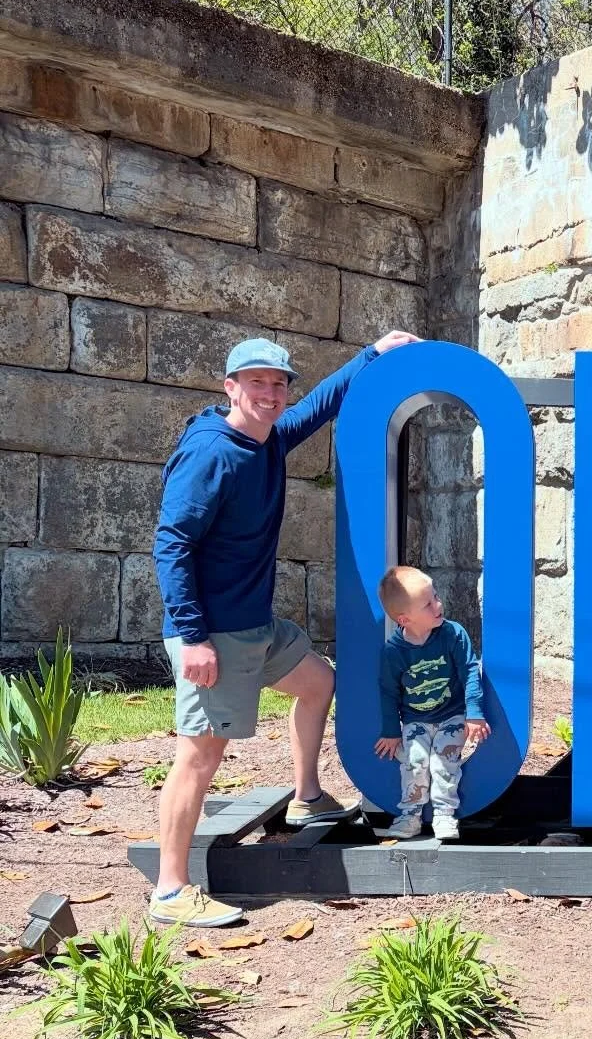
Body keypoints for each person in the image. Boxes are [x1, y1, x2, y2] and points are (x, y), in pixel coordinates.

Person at [150, 330, 420, 926]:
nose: (270, 394)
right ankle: (170, 890)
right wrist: (192, 637)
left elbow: (318, 407)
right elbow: (171, 546)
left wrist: (372, 355)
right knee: (198, 756)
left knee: (317, 682)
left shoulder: (267, 439)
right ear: (231, 387)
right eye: (256, 383)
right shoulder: (211, 454)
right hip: (215, 634)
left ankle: (306, 797)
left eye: (277, 383)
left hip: (255, 627)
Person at [374, 566, 490, 841]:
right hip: (416, 719)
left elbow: (470, 670)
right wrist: (391, 731)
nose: (439, 604)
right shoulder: (394, 652)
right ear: (405, 619)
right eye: (428, 604)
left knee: (443, 761)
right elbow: (388, 691)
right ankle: (410, 815)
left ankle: (444, 814)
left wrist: (474, 712)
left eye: (436, 596)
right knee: (414, 762)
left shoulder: (452, 634)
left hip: (452, 714)